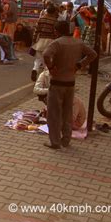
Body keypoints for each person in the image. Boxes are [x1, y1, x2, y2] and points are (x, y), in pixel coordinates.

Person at [42, 21, 97, 149]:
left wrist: (50, 67)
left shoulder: (57, 43)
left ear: (57, 31)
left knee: (54, 114)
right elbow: (93, 54)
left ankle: (55, 142)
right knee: (67, 112)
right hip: (71, 82)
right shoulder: (78, 42)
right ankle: (66, 140)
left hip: (57, 82)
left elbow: (46, 54)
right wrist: (80, 65)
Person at [33, 68, 87, 132]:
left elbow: (71, 119)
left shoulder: (73, 101)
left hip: (75, 124)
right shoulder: (44, 75)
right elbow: (36, 90)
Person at [31, 3, 57, 82]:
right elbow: (55, 32)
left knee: (38, 59)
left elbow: (36, 30)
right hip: (50, 41)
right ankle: (45, 79)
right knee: (48, 60)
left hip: (41, 40)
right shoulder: (54, 20)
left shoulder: (41, 18)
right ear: (53, 12)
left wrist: (34, 39)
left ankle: (35, 69)